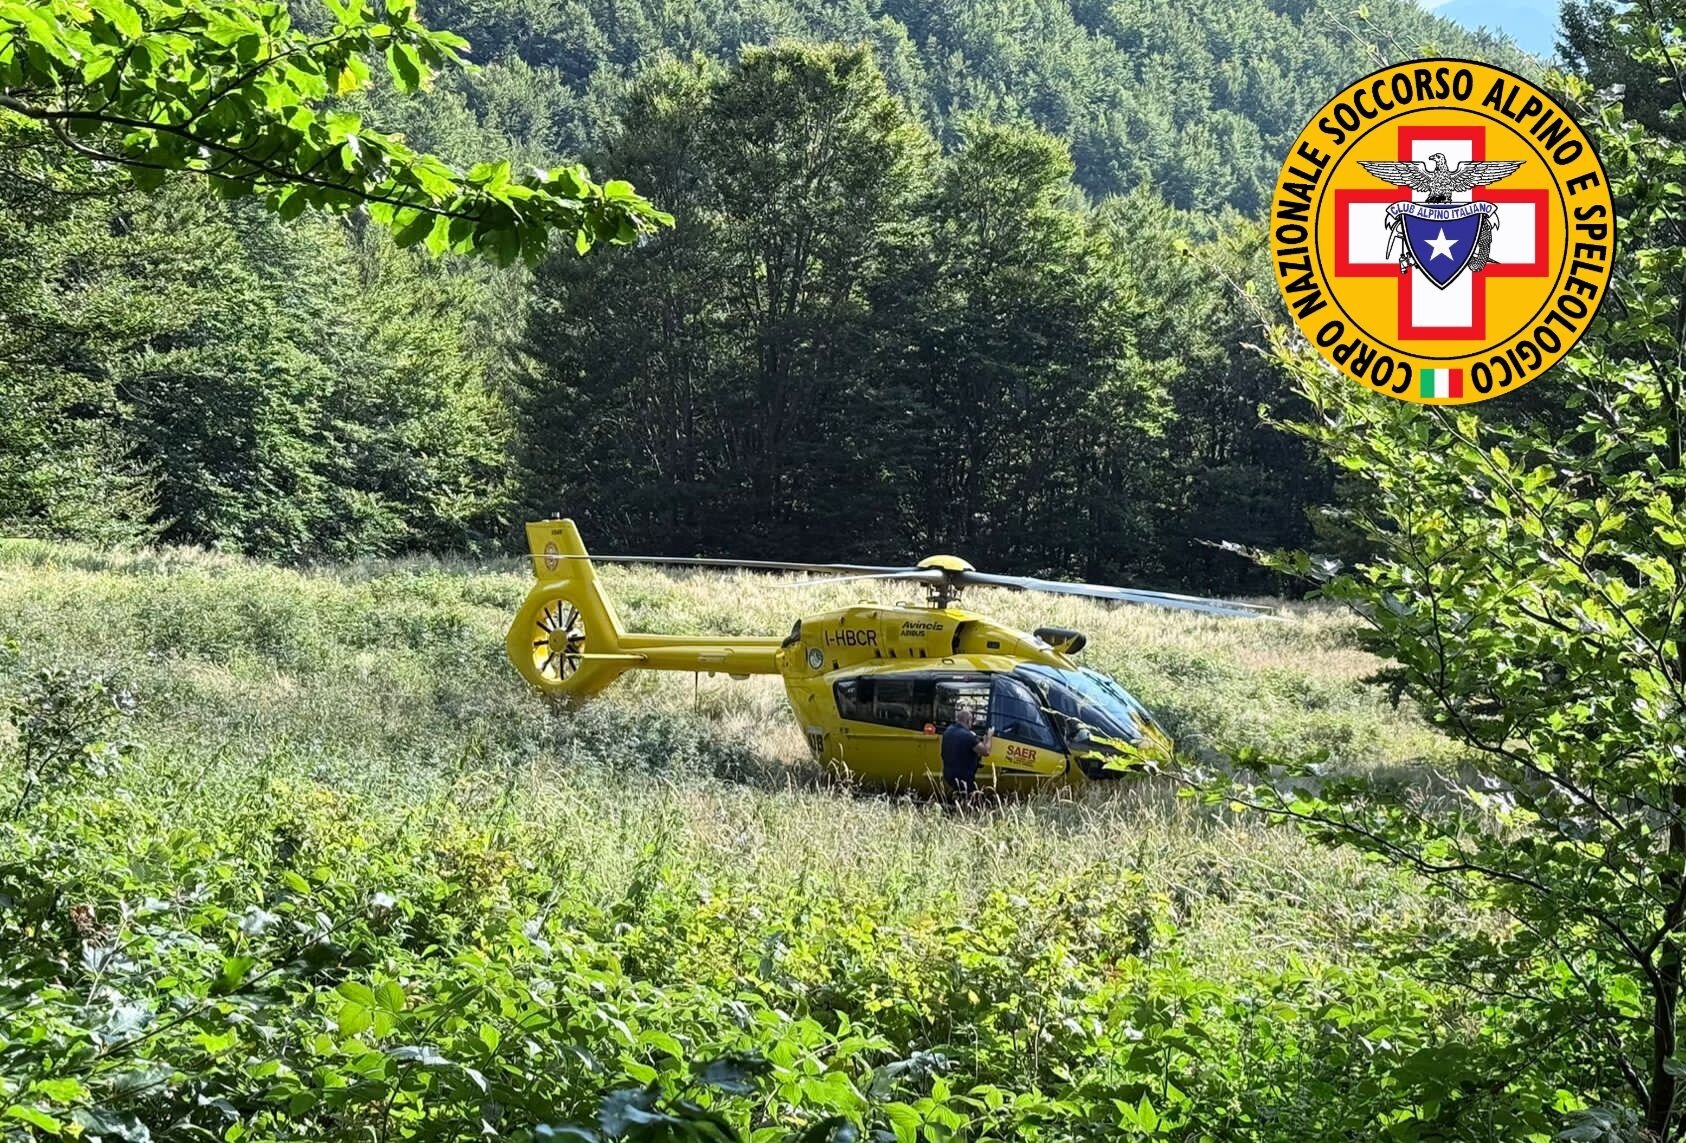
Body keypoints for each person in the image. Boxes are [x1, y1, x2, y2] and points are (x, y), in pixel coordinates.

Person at [940, 703, 994, 797]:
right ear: (968, 721)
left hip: (948, 774)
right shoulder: (968, 736)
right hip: (964, 777)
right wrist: (989, 736)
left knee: (957, 796)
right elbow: (986, 751)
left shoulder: (947, 731)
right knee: (972, 800)